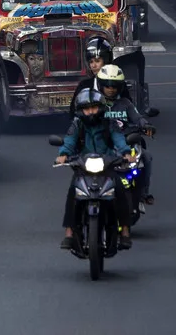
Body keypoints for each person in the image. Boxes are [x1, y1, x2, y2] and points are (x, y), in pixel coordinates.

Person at [56, 87, 135, 250]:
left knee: (120, 190)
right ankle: (69, 232)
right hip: (82, 165)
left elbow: (119, 139)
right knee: (72, 192)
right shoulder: (77, 124)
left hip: (107, 165)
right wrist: (63, 154)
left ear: (101, 108)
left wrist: (126, 153)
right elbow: (69, 141)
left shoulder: (110, 123)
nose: (90, 112)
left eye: (94, 107)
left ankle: (125, 231)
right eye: (86, 109)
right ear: (80, 110)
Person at [97, 64, 155, 206]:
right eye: (107, 85)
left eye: (114, 86)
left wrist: (146, 125)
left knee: (147, 157)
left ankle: (143, 193)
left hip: (127, 142)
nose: (111, 89)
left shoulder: (125, 103)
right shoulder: (95, 104)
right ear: (100, 85)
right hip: (102, 144)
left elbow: (137, 118)